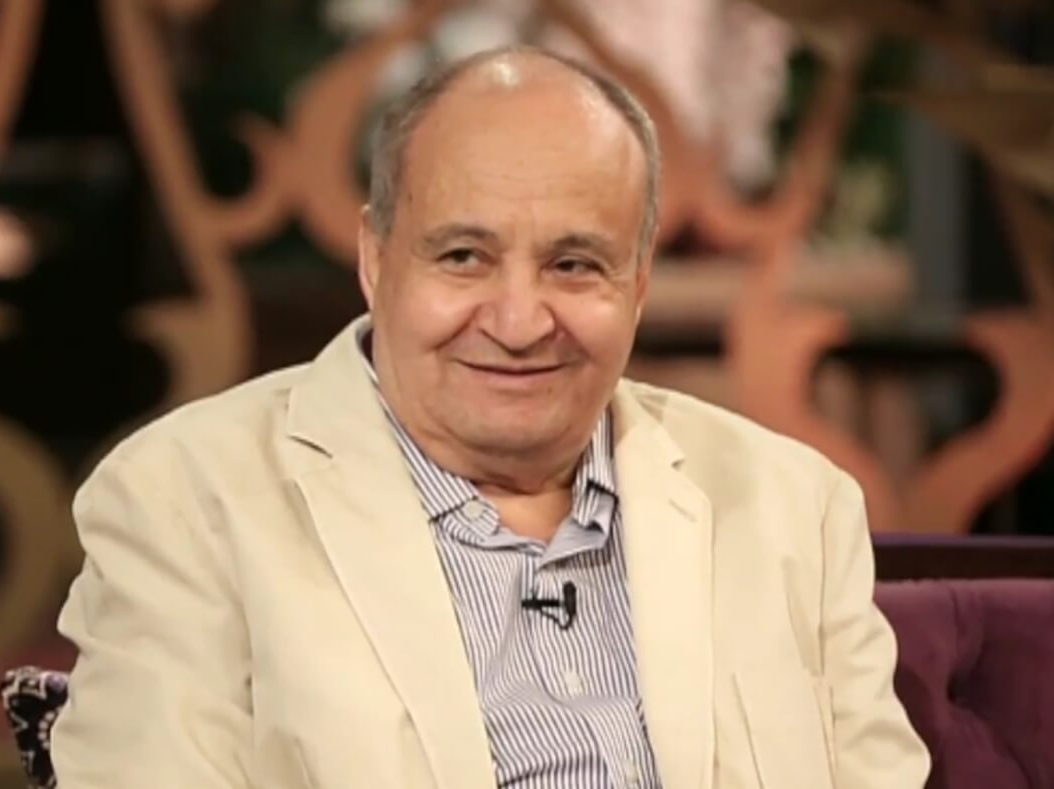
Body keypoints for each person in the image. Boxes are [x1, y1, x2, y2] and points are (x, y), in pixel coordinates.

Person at [47, 46, 930, 789]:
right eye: (464, 256)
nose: (518, 322)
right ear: (375, 258)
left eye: (574, 265)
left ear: (637, 283)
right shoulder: (184, 500)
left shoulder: (794, 507)